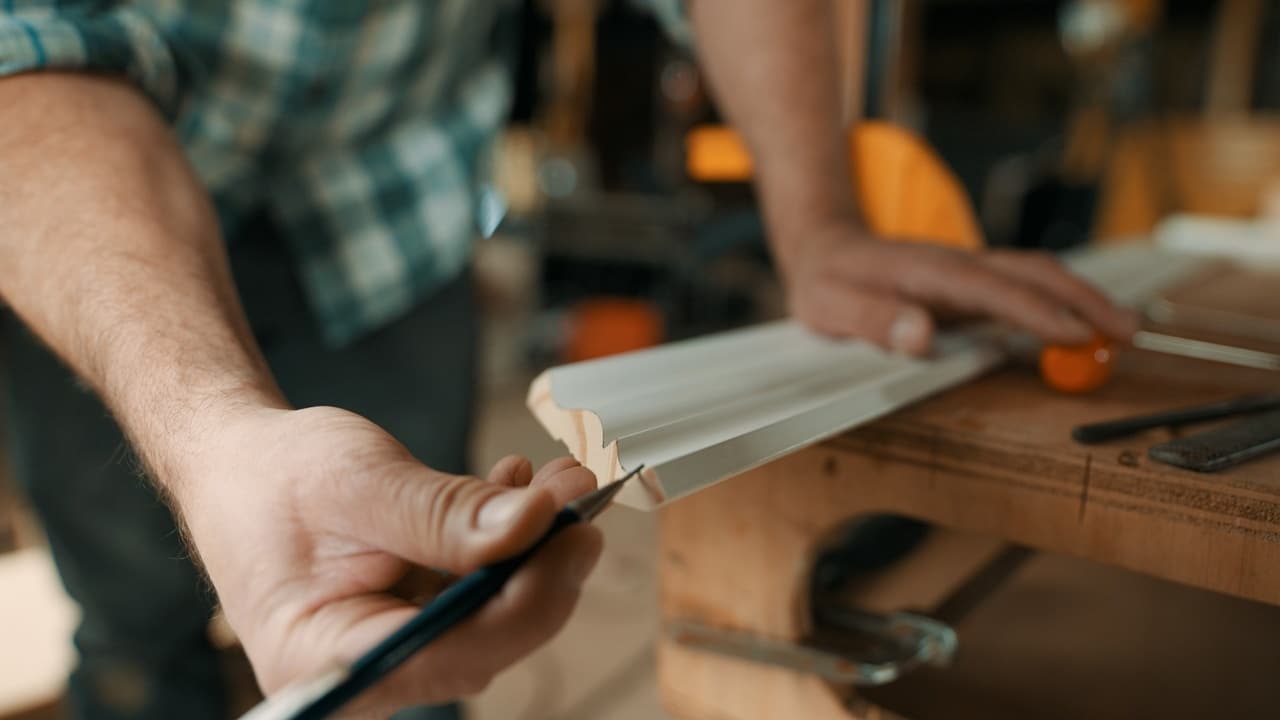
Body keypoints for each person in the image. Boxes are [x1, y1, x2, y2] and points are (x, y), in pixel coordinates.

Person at [0, 1, 1136, 718]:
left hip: (385, 219)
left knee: (391, 641)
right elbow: (24, 44)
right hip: (74, 225)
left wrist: (820, 227)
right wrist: (212, 433)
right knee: (139, 641)